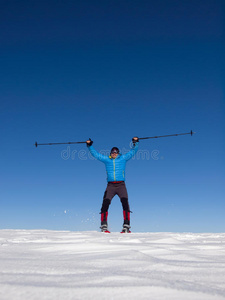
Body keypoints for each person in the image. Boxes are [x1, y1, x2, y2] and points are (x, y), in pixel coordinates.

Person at [86, 137, 139, 233]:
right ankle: (103, 226)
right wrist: (90, 146)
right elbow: (96, 155)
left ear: (118, 153)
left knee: (125, 203)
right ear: (110, 153)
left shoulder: (123, 158)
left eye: (116, 152)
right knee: (105, 204)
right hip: (110, 186)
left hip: (121, 185)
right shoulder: (107, 160)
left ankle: (126, 225)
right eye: (112, 152)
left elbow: (133, 152)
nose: (114, 153)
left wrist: (135, 142)